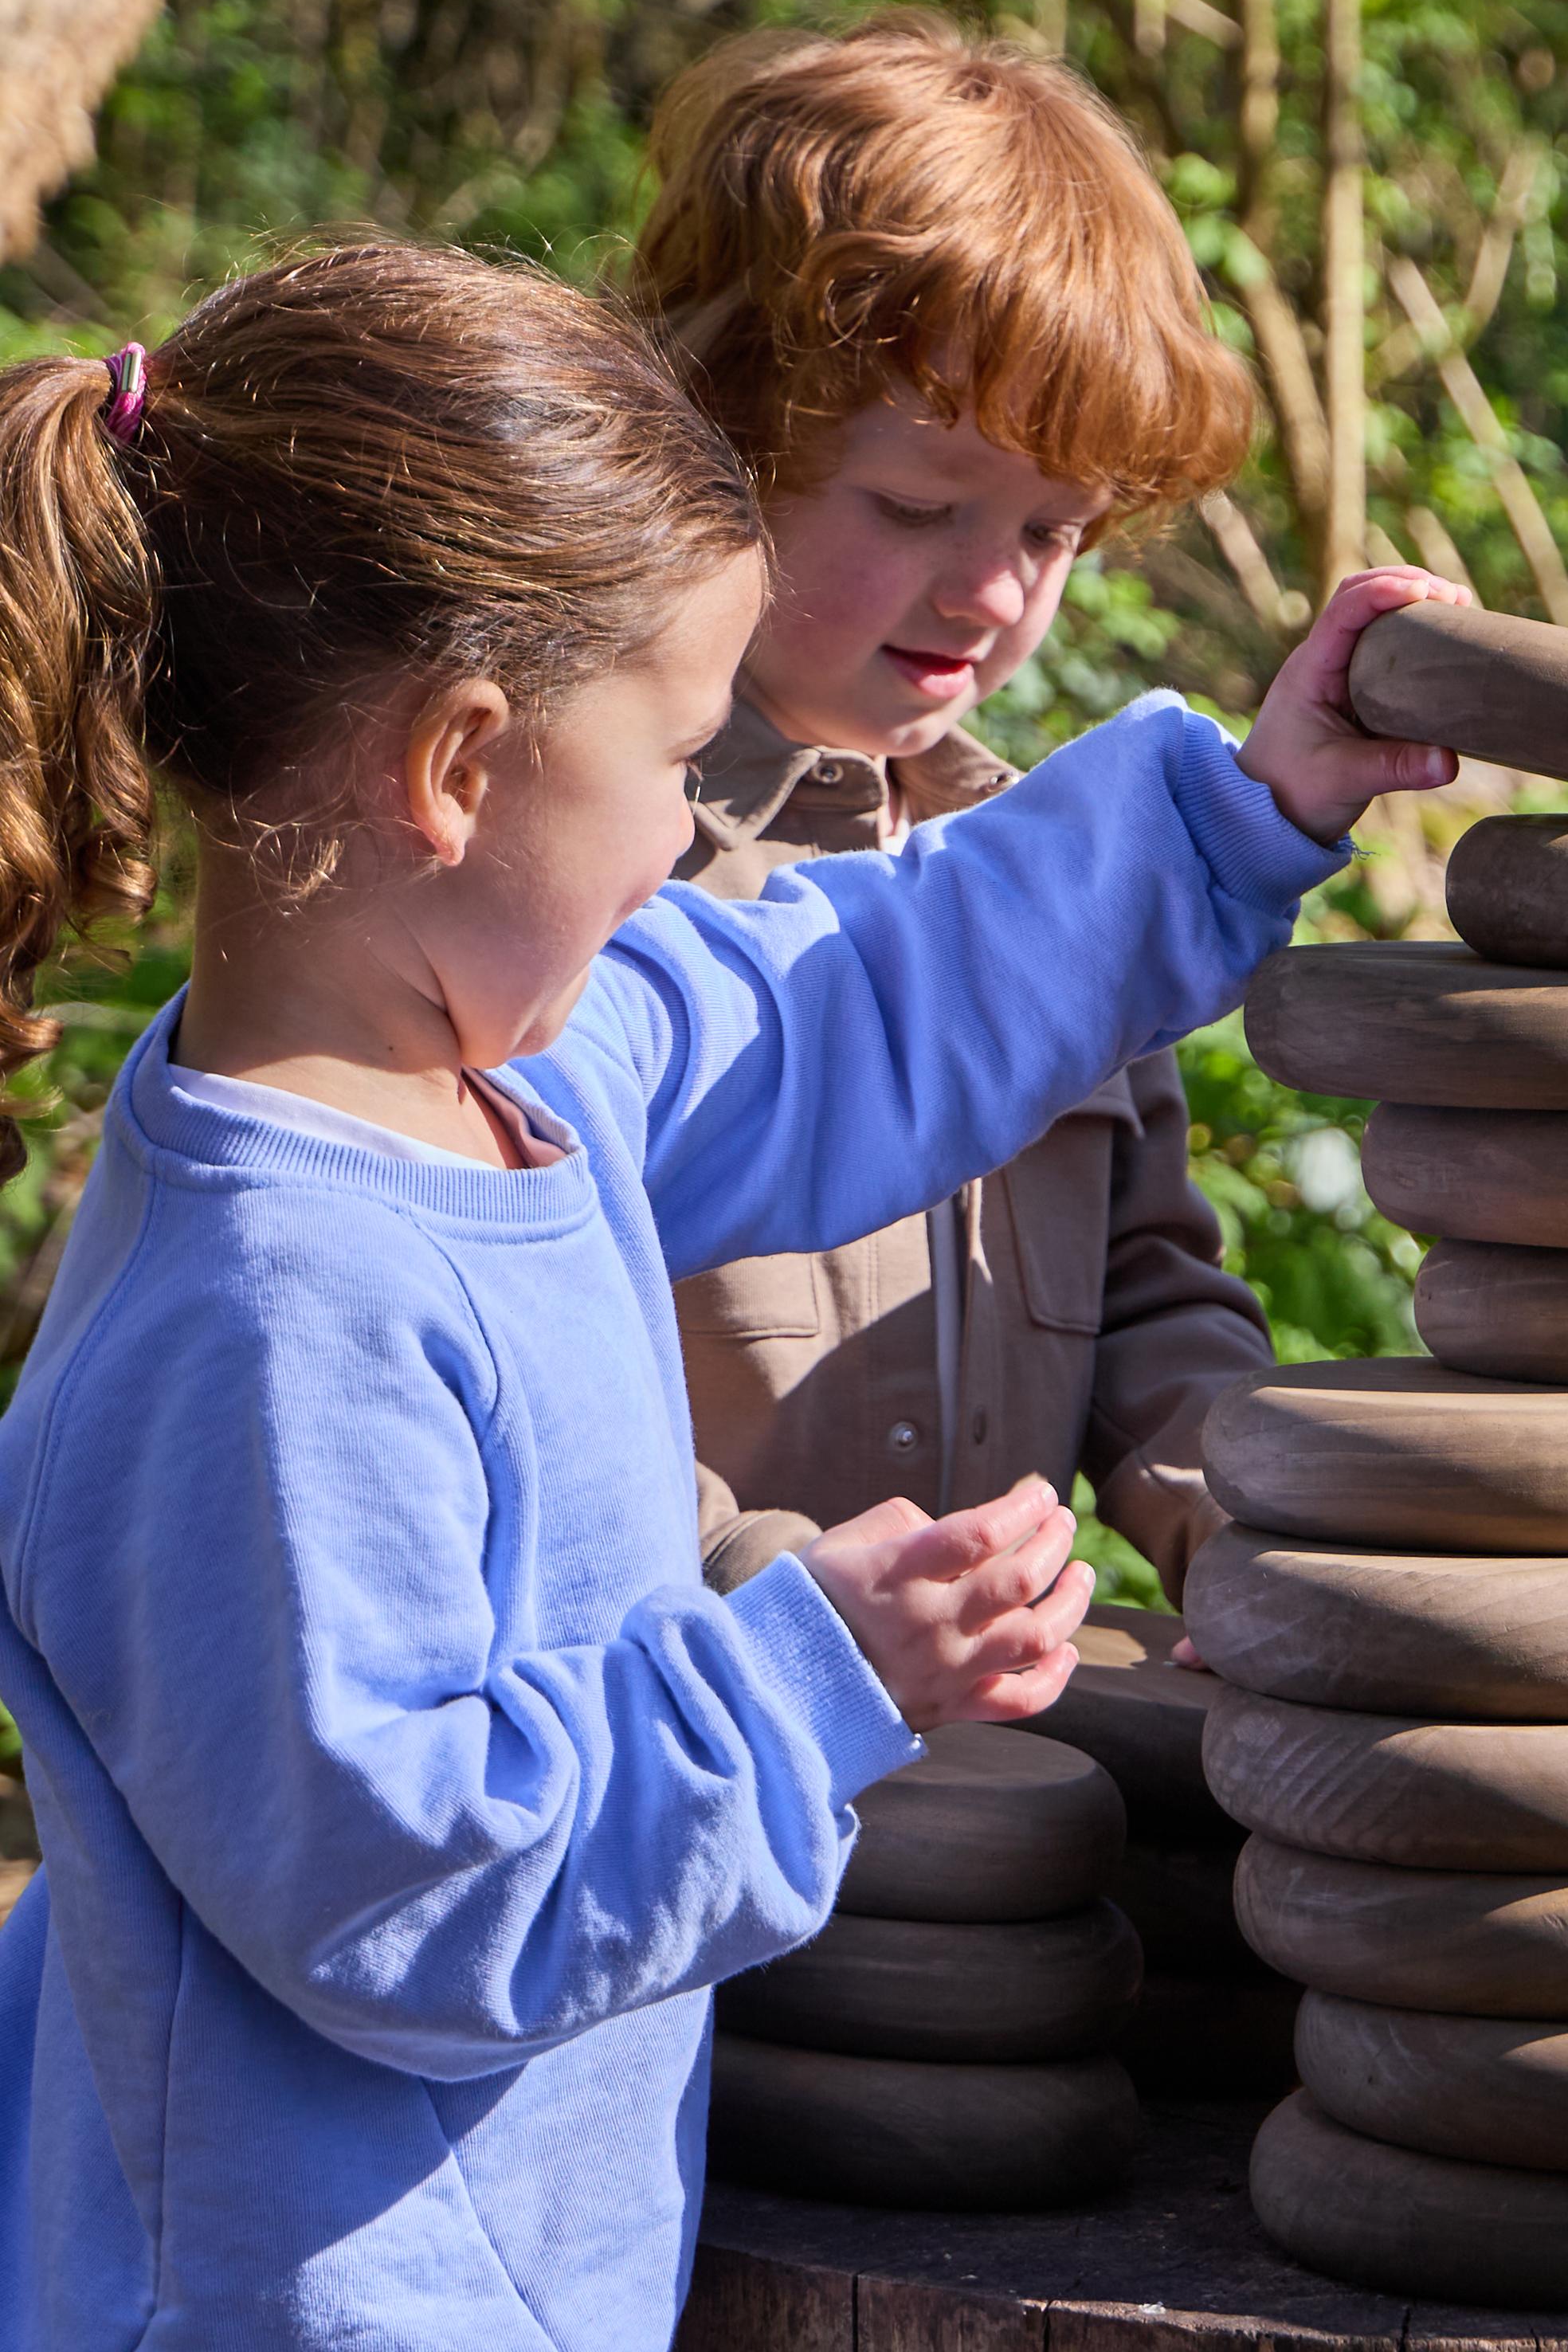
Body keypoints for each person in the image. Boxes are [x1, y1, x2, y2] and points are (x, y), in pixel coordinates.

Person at [0, 244, 1454, 2350]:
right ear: (459, 767)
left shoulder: (528, 1073)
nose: (699, 825)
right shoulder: (278, 1308)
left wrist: (1248, 811)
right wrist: (810, 1679)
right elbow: (406, 1892)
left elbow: (872, 986)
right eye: (679, 759)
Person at [618, 16, 1267, 1605]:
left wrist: (1249, 1519)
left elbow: (1146, 1284)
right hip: (677, 1737)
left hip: (990, 1744)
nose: (993, 592)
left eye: (1059, 533)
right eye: (918, 508)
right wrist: (765, 1585)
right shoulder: (585, 866)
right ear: (716, 434)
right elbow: (513, 1346)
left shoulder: (1060, 872)